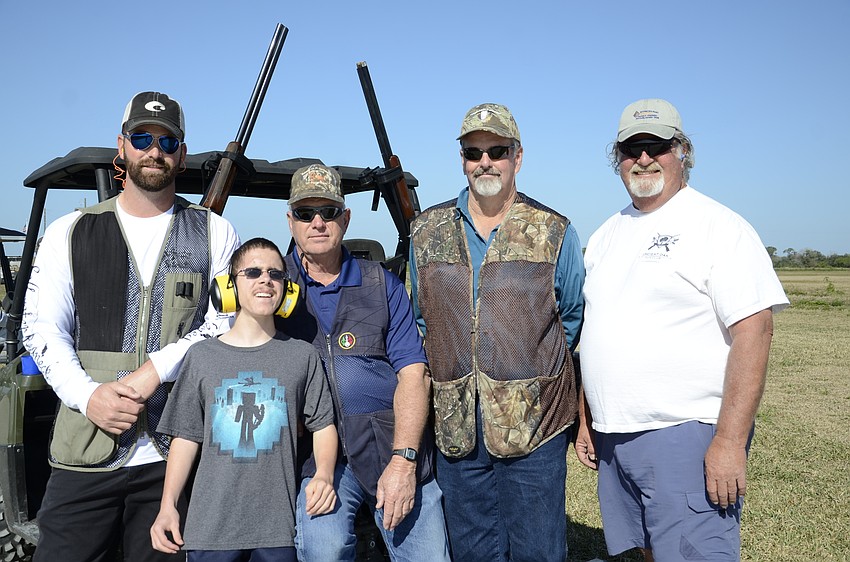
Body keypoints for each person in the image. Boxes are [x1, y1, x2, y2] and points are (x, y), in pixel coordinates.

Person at [21, 91, 240, 562]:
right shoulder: (69, 232)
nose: (154, 150)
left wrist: (154, 371)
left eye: (167, 141)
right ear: (122, 146)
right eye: (142, 138)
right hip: (85, 451)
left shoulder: (215, 232)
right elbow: (41, 329)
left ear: (181, 154)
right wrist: (89, 397)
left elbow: (225, 323)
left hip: (173, 457)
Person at [576, 98, 790, 561]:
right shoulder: (607, 233)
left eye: (657, 146)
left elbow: (755, 332)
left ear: (682, 151)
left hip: (685, 432)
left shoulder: (719, 226)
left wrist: (729, 442)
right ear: (617, 158)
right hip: (615, 435)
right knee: (650, 549)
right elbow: (594, 330)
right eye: (631, 148)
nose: (643, 158)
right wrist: (588, 418)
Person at [409, 103, 585, 561]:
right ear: (462, 160)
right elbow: (423, 318)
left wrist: (524, 369)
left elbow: (570, 319)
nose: (485, 162)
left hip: (534, 428)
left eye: (497, 151)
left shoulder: (554, 230)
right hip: (457, 427)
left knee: (538, 551)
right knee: (472, 552)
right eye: (474, 152)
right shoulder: (425, 232)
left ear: (517, 157)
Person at [275, 163, 450, 561]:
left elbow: (414, 375)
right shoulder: (272, 286)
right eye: (305, 212)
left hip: (389, 448)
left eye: (329, 211)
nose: (318, 222)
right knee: (324, 549)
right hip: (319, 460)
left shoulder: (381, 284)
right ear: (290, 221)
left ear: (346, 218)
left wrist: (404, 462)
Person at [150, 237, 338, 561]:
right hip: (210, 531)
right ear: (229, 287)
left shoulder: (302, 355)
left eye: (275, 274)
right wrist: (168, 505)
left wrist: (324, 474)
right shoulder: (202, 356)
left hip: (277, 530)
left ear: (287, 289)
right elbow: (186, 437)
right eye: (252, 272)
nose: (266, 280)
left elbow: (322, 425)